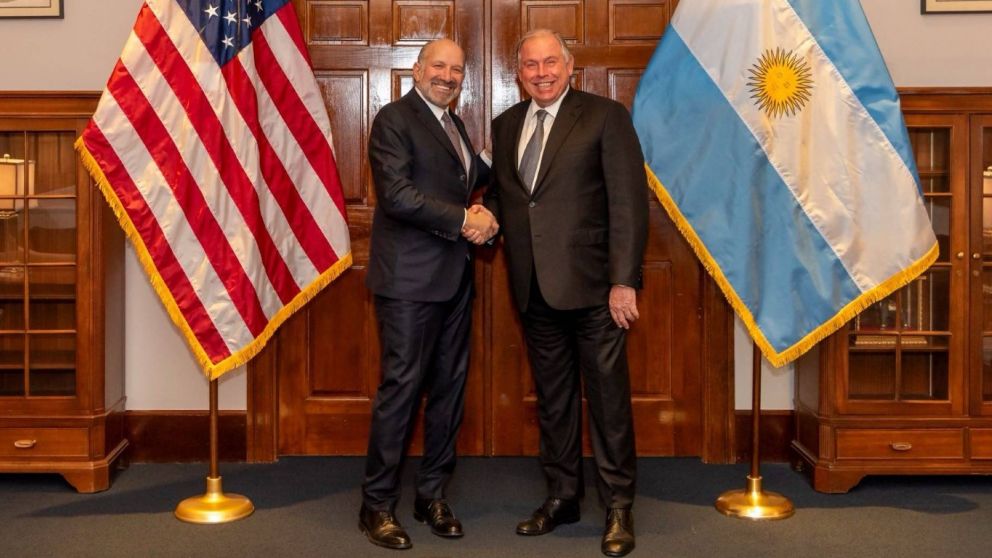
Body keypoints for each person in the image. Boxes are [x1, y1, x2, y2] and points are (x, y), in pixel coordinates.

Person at [479, 29, 648, 557]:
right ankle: (563, 496)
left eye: (551, 62)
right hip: (533, 289)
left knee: (608, 403)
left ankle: (619, 506)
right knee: (553, 404)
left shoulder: (604, 116)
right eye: (531, 65)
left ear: (570, 66)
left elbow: (628, 203)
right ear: (519, 73)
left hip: (598, 291)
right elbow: (506, 200)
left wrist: (624, 280)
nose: (541, 72)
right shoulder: (505, 126)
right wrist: (480, 219)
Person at [360, 38, 497, 550]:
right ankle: (376, 506)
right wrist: (467, 220)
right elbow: (397, 196)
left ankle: (431, 495)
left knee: (447, 392)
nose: (447, 75)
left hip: (455, 280)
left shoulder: (454, 124)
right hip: (409, 283)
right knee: (401, 392)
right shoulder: (395, 120)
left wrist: (500, 152)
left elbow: (462, 179)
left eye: (457, 69)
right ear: (417, 69)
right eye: (438, 65)